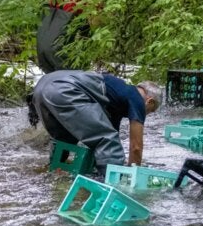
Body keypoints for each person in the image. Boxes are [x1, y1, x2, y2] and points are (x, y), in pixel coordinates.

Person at [32, 70, 161, 175]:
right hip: (65, 89)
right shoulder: (137, 98)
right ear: (150, 101)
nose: (147, 114)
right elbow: (136, 147)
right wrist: (132, 175)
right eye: (151, 111)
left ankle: (53, 171)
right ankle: (113, 187)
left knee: (65, 139)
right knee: (108, 141)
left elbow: (103, 131)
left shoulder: (118, 93)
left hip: (42, 88)